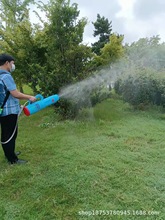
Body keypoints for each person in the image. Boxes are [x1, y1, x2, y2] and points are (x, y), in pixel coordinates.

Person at [0, 53, 37, 164]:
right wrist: (29, 96)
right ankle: (12, 159)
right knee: (10, 135)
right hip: (9, 112)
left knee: (7, 133)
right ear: (7, 63)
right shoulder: (6, 76)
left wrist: (18, 106)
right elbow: (15, 93)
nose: (12, 66)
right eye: (12, 63)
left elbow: (6, 95)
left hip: (3, 110)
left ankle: (10, 153)